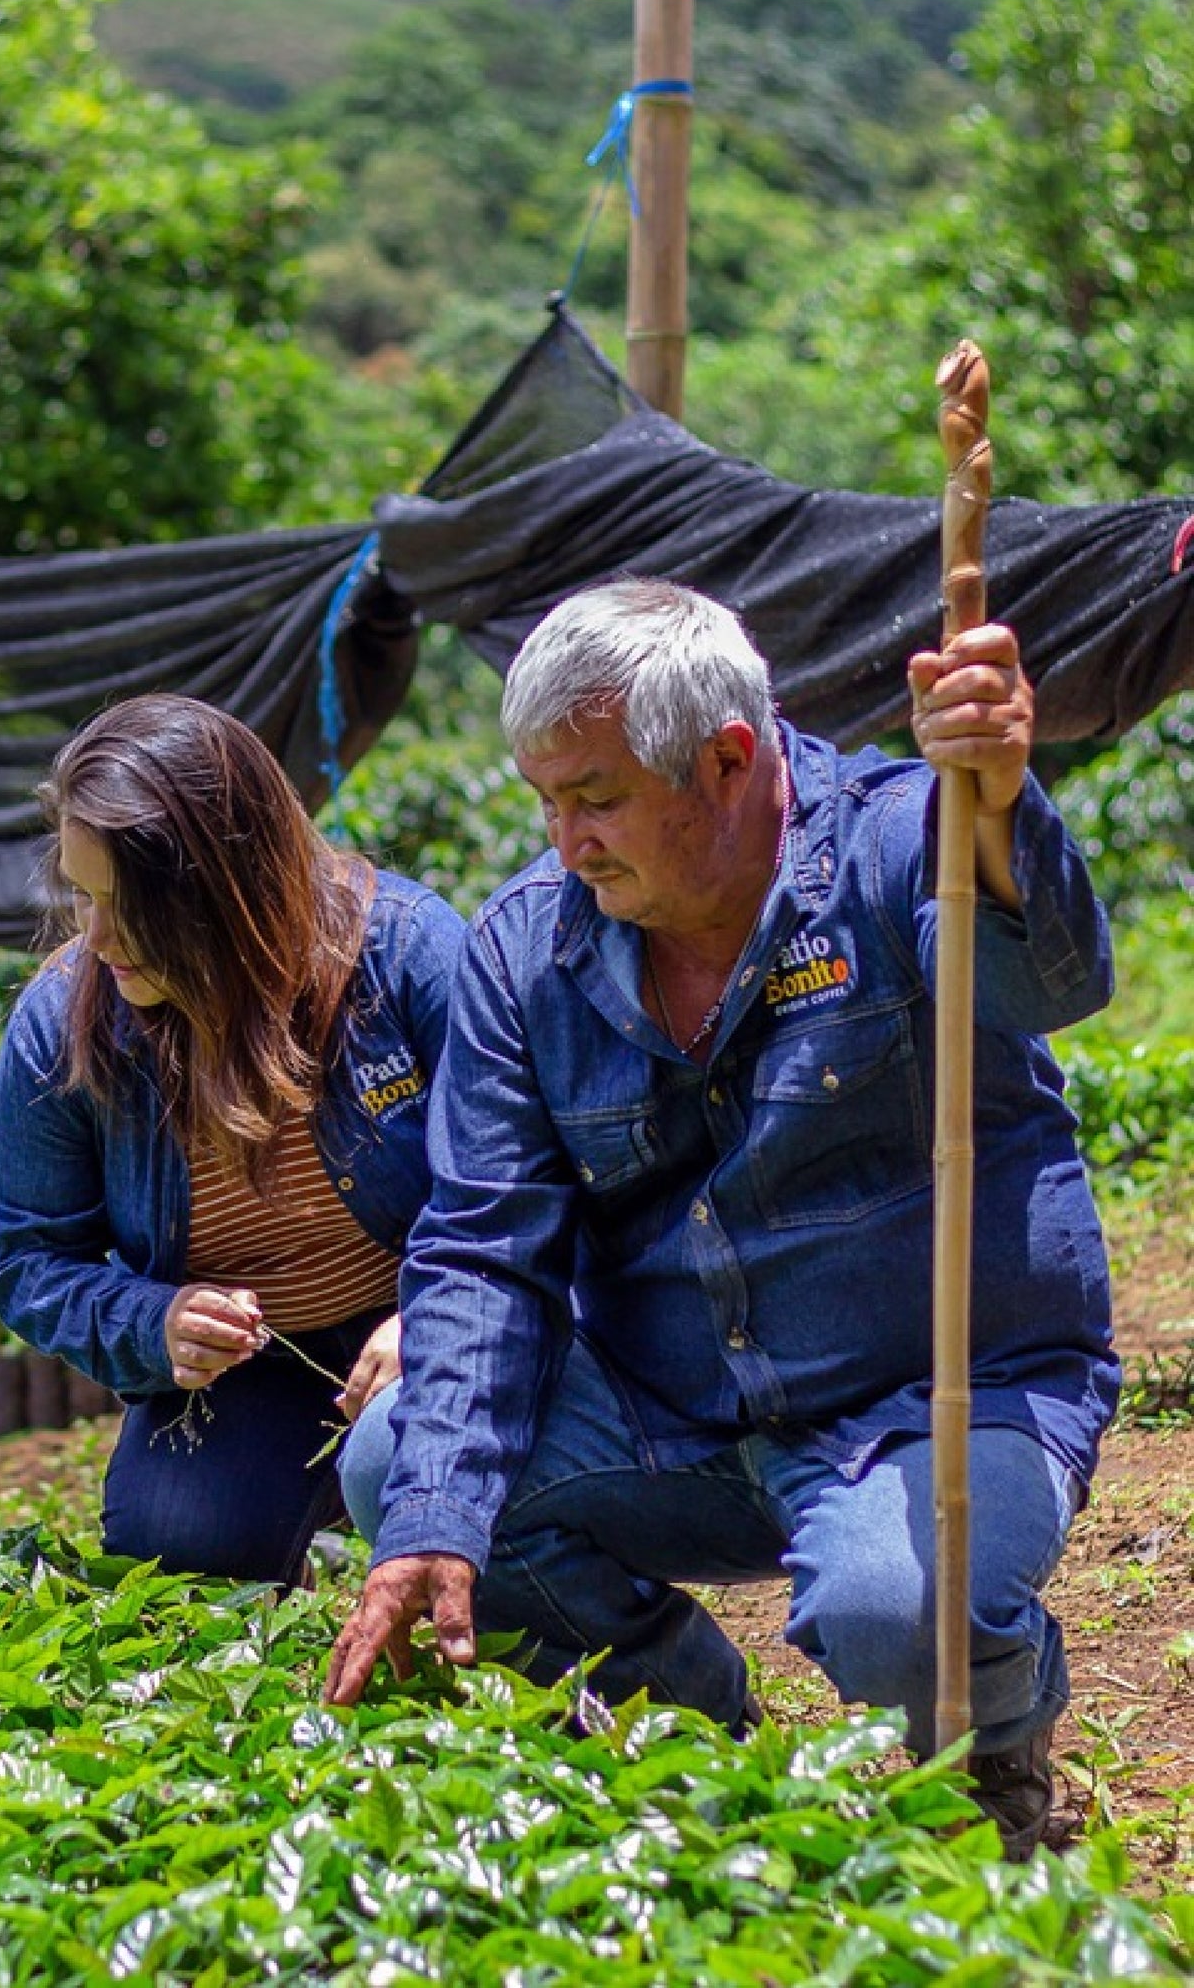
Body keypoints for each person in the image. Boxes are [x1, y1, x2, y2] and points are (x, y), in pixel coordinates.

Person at [325, 578, 1118, 1861]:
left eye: (595, 798)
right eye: (544, 802)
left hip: (932, 1399)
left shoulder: (900, 843)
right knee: (400, 1465)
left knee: (895, 1610)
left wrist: (996, 802)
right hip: (678, 1412)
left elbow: (1051, 984)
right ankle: (691, 1726)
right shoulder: (528, 955)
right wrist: (429, 1521)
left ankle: (993, 1735)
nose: (565, 841)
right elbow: (482, 1249)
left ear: (726, 761)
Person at [0, 693, 466, 1587]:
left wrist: (442, 1314)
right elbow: (30, 1262)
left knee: (438, 1468)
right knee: (179, 1544)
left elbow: (519, 1176)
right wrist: (154, 1322)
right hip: (253, 1375)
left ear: (223, 890)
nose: (98, 938)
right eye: (83, 897)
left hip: (423, 1327)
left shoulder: (404, 954)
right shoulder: (59, 1027)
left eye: (129, 905)